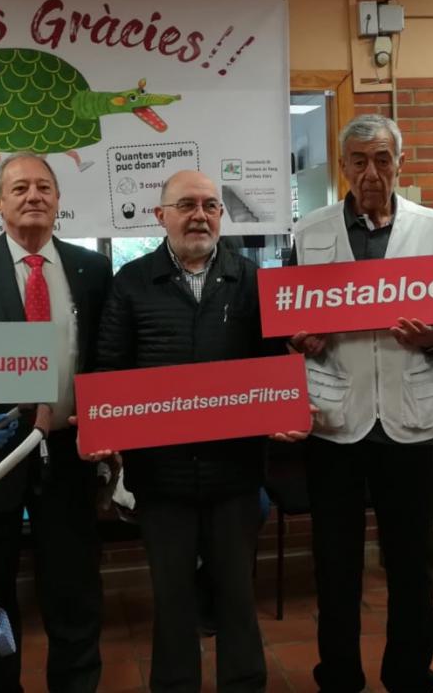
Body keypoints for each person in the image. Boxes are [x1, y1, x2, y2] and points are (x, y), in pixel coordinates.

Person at [91, 169, 306, 693]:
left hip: (234, 474)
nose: (200, 215)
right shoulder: (131, 282)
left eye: (210, 205)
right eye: (186, 204)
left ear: (221, 216)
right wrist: (106, 429)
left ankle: (244, 684)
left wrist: (285, 409)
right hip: (161, 478)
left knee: (236, 594)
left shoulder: (253, 280)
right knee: (173, 598)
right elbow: (110, 369)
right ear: (160, 216)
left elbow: (275, 365)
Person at [289, 113, 433, 693]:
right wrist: (300, 339)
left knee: (411, 564)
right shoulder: (308, 231)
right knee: (335, 564)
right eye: (360, 161)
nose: (372, 171)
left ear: (400, 162)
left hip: (408, 419)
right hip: (334, 422)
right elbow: (287, 326)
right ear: (343, 167)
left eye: (383, 159)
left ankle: (409, 672)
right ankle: (339, 675)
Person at [0, 152, 112, 693]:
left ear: (58, 200)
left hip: (70, 449)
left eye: (44, 187)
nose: (34, 196)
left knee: (75, 585)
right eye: (20, 188)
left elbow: (106, 354)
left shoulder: (93, 269)